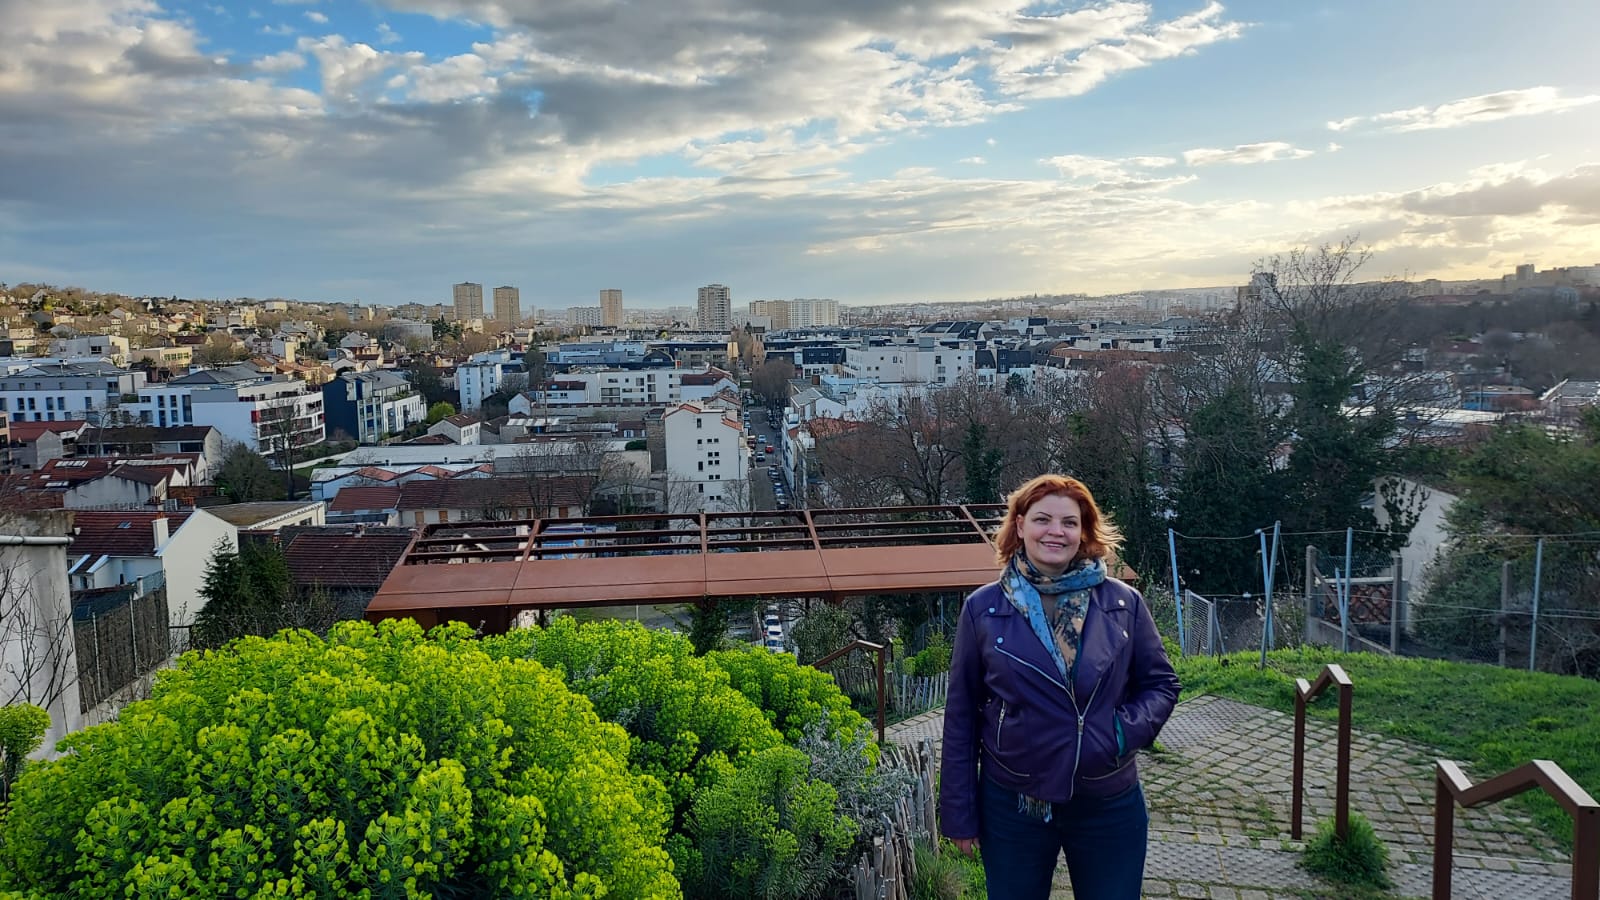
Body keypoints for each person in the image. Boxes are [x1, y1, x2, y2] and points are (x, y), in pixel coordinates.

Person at [940, 474, 1180, 899]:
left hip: (1108, 799)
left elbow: (1161, 684)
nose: (1056, 531)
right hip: (1014, 801)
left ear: (1084, 531)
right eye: (1042, 519)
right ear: (1019, 526)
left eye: (1069, 522)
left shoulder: (1123, 603)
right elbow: (961, 715)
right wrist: (959, 812)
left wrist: (1120, 733)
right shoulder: (983, 609)